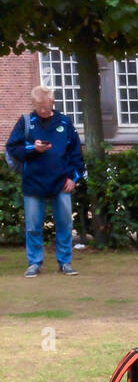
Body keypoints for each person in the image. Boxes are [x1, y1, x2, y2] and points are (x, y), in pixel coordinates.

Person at [7, 86, 85, 277]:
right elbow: (12, 148)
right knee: (33, 226)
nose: (42, 110)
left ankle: (65, 262)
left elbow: (76, 154)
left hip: (61, 182)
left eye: (45, 106)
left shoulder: (65, 123)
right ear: (33, 105)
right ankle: (34, 263)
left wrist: (73, 178)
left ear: (52, 103)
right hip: (33, 183)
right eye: (38, 107)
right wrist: (33, 148)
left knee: (65, 224)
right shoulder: (25, 122)